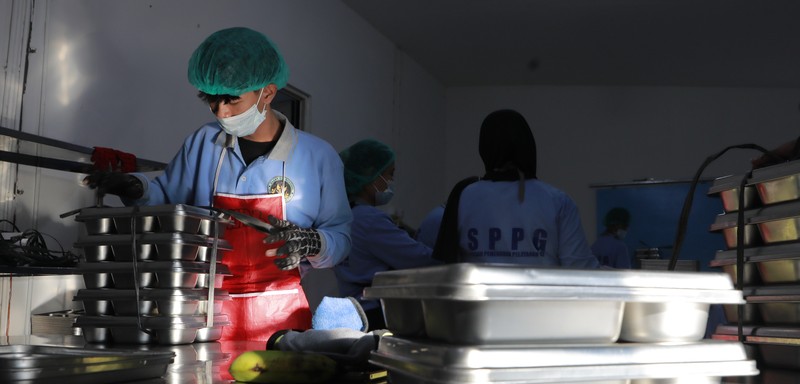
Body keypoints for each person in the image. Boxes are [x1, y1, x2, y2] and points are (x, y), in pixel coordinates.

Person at [84, 27, 352, 342]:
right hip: (204, 314)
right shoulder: (204, 144)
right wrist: (136, 188)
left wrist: (312, 242)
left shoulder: (318, 156)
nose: (220, 111)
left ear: (267, 92)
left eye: (231, 99)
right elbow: (167, 200)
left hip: (282, 318)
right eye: (212, 100)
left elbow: (342, 238)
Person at [433, 109, 599, 268]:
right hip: (540, 297)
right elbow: (580, 267)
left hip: (479, 297)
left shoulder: (463, 196)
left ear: (484, 149)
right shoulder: (556, 200)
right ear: (528, 146)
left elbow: (447, 266)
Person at [333, 139, 439, 329]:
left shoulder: (344, 217)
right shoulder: (370, 219)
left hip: (350, 313)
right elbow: (420, 260)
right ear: (368, 179)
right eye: (389, 176)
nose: (390, 183)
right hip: (374, 314)